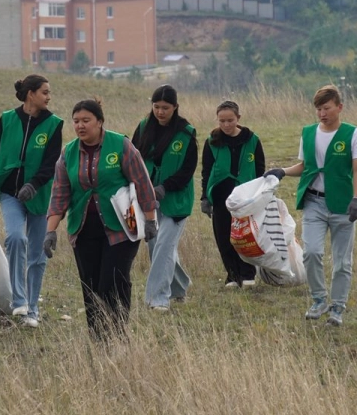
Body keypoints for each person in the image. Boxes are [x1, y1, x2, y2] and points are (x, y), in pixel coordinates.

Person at [44, 98, 158, 338]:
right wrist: (50, 231)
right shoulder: (69, 153)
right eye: (76, 121)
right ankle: (98, 336)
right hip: (84, 229)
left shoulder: (121, 145)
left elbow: (142, 183)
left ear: (100, 122)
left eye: (86, 120)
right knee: (91, 286)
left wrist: (150, 220)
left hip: (121, 228)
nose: (80, 126)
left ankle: (117, 333)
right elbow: (60, 194)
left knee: (113, 281)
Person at [266, 84, 357, 327]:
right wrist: (282, 171)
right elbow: (305, 166)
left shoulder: (353, 134)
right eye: (318, 109)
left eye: (327, 108)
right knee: (311, 253)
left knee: (342, 261)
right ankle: (319, 299)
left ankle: (338, 307)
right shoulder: (308, 133)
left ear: (339, 107)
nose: (322, 113)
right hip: (314, 202)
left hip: (343, 204)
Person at [0, 74, 63, 328]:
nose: (49, 96)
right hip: (9, 193)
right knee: (16, 238)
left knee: (37, 253)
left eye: (49, 92)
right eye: (45, 92)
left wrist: (33, 184)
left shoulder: (54, 124)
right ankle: (19, 301)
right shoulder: (6, 120)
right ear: (30, 94)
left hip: (40, 196)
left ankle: (32, 310)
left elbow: (51, 164)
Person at [130, 84, 197, 311]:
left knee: (164, 246)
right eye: (156, 107)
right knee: (155, 246)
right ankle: (180, 286)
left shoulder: (187, 132)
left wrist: (164, 187)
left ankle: (157, 299)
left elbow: (187, 171)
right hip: (147, 199)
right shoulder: (142, 127)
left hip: (176, 200)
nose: (160, 112)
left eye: (165, 108)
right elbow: (131, 159)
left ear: (175, 107)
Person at [200, 99, 267, 288]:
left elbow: (260, 169)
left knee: (245, 236)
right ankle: (232, 275)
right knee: (223, 236)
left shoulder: (252, 140)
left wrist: (260, 195)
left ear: (238, 118)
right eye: (222, 121)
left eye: (230, 120)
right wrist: (205, 197)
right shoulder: (212, 141)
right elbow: (206, 170)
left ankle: (248, 274)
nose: (226, 125)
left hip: (246, 198)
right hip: (221, 196)